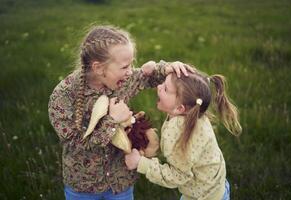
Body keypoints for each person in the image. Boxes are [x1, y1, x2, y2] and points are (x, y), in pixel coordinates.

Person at [48, 25, 193, 200]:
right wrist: (112, 120)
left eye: (131, 64)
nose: (131, 71)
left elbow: (146, 77)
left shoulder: (122, 80)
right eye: (125, 66)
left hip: (120, 182)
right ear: (99, 68)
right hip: (83, 187)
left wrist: (168, 68)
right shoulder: (63, 96)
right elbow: (76, 146)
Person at [125, 69, 242, 200]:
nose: (158, 87)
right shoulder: (195, 112)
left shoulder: (178, 132)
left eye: (165, 89)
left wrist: (141, 163)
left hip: (203, 196)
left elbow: (179, 175)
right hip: (215, 187)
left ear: (180, 108)